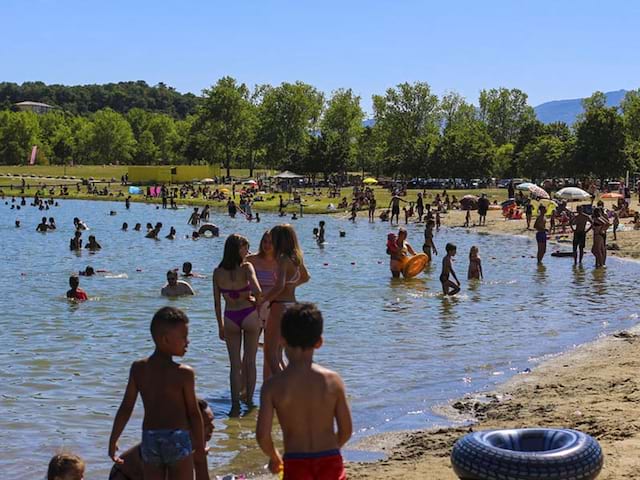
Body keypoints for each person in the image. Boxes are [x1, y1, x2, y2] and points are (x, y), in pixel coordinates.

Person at [108, 307, 209, 480]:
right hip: (177, 437)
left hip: (150, 439)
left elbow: (126, 407)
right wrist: (199, 447)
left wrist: (113, 440)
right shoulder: (184, 373)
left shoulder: (138, 369)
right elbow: (193, 413)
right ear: (165, 339)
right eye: (184, 337)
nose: (188, 342)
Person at [256, 303, 352, 479]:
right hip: (329, 459)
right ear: (319, 342)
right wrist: (331, 450)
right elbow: (346, 430)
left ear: (282, 339)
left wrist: (275, 457)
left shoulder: (272, 386)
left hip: (295, 461)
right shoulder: (333, 380)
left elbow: (263, 436)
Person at [108, 398, 214, 480]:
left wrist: (198, 461)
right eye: (207, 425)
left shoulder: (198, 443)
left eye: (212, 422)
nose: (213, 428)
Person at [213, 234, 262, 410]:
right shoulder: (247, 267)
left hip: (230, 317)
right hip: (249, 314)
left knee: (234, 365)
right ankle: (249, 401)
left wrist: (220, 326)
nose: (248, 252)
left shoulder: (217, 272)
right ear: (237, 249)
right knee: (250, 361)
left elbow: (217, 303)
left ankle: (234, 405)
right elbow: (258, 291)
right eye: (245, 248)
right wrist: (255, 303)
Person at [262, 225, 310, 378]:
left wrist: (262, 300)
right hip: (292, 306)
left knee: (270, 353)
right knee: (279, 353)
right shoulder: (295, 258)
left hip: (280, 306)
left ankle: (283, 386)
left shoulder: (282, 259)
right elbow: (305, 277)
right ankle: (288, 383)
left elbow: (279, 285)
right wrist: (292, 284)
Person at [247, 231, 279, 378]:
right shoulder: (251, 260)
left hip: (273, 308)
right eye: (265, 241)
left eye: (271, 242)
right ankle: (244, 388)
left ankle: (270, 386)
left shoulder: (280, 261)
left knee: (272, 352)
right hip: (254, 307)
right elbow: (241, 281)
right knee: (249, 350)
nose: (267, 245)